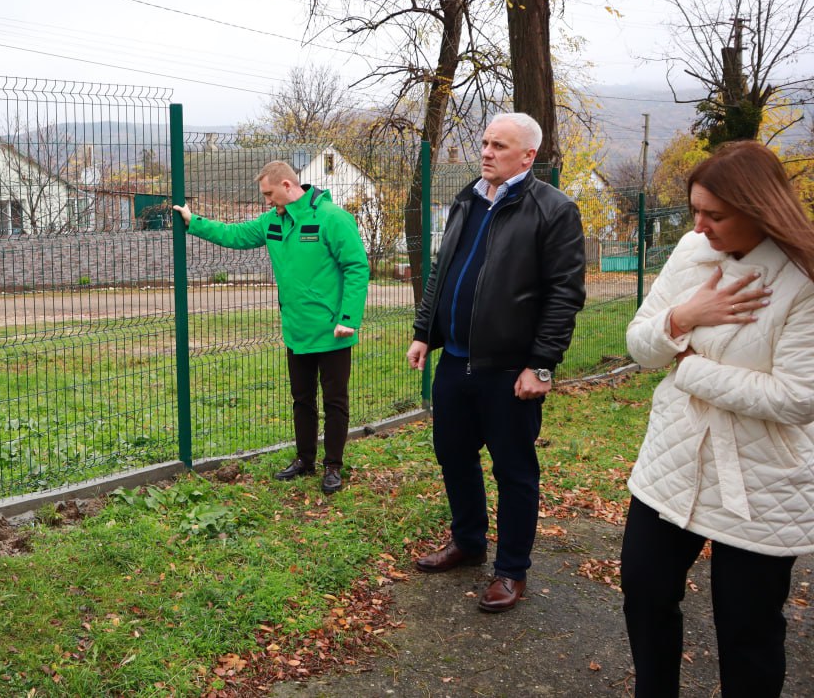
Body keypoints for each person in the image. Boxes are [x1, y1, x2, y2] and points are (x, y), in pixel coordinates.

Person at [621, 140, 814, 697]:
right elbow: (640, 341)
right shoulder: (690, 251)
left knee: (747, 626)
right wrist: (684, 315)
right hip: (674, 457)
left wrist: (690, 369)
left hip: (762, 479)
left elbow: (797, 397)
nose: (701, 225)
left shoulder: (802, 280)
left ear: (760, 209)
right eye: (695, 211)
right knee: (645, 589)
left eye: (716, 215)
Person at [406, 112, 586, 613]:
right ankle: (468, 542)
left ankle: (510, 571)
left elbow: (563, 297)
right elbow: (443, 270)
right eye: (484, 143)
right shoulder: (467, 198)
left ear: (528, 156)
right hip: (455, 364)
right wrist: (425, 332)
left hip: (510, 372)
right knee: (454, 457)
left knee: (514, 472)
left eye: (499, 146)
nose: (486, 152)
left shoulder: (553, 210)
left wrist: (542, 365)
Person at [172, 160, 369, 495]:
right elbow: (234, 235)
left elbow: (356, 267)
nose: (267, 201)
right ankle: (305, 460)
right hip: (296, 330)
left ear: (288, 186)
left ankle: (333, 466)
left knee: (335, 402)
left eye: (269, 194)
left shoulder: (333, 219)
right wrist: (194, 222)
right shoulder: (272, 222)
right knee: (301, 399)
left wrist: (348, 318)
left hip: (334, 331)